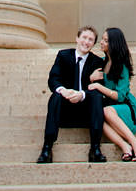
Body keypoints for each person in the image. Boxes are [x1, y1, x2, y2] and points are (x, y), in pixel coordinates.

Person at [37, 25, 107, 163]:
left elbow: (101, 87)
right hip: (65, 108)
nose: (86, 42)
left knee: (97, 96)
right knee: (55, 96)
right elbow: (53, 79)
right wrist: (64, 90)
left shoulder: (97, 62)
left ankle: (95, 149)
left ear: (93, 44)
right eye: (84, 38)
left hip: (86, 111)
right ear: (77, 38)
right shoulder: (63, 56)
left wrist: (82, 94)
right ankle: (47, 148)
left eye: (90, 40)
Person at [86, 27, 136, 162]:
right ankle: (125, 146)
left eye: (105, 41)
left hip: (125, 109)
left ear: (113, 44)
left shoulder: (122, 66)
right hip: (111, 111)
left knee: (105, 111)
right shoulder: (103, 62)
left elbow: (120, 96)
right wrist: (91, 79)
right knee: (97, 116)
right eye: (102, 39)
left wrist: (98, 86)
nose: (101, 42)